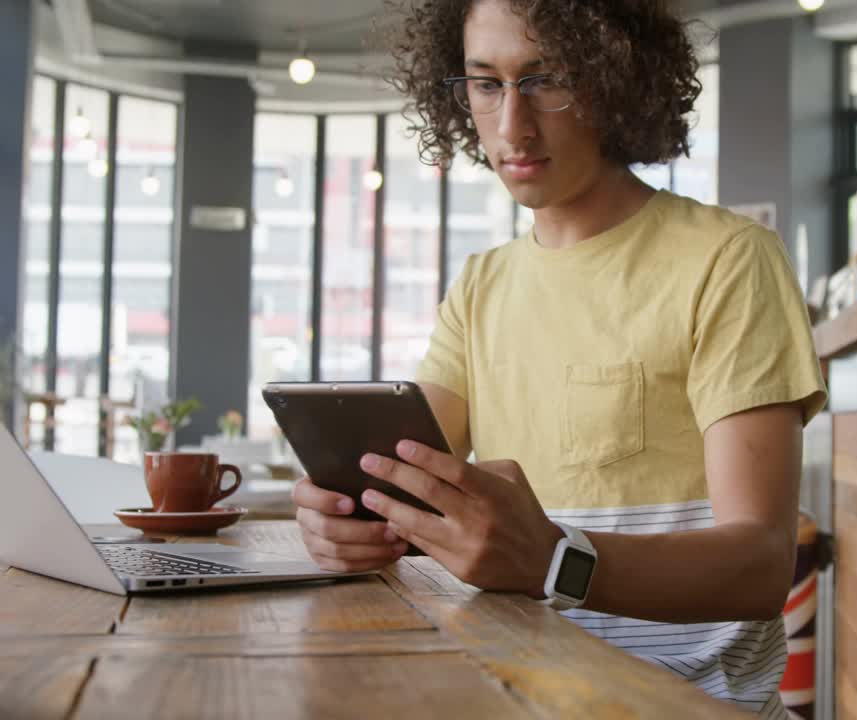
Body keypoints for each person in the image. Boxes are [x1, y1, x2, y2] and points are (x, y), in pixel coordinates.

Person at [291, 1, 827, 716]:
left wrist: (554, 558)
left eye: (548, 80)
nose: (512, 126)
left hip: (687, 705)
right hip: (516, 694)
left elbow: (760, 566)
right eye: (486, 84)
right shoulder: (481, 286)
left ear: (616, 77)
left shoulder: (728, 261)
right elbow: (408, 482)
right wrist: (345, 518)